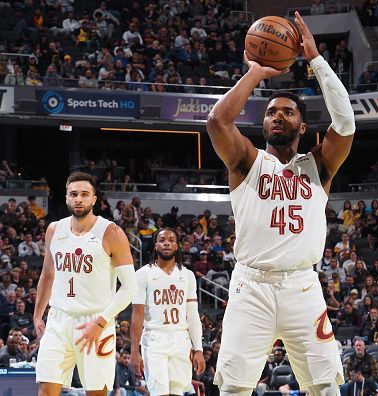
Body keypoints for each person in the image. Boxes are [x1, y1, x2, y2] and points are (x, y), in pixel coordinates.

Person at [206, 11, 355, 396]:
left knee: (325, 387)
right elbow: (217, 122)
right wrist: (255, 72)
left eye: (288, 111)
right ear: (264, 123)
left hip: (302, 287)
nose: (278, 116)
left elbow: (346, 124)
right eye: (271, 112)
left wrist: (316, 60)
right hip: (250, 286)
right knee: (234, 389)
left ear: (302, 126)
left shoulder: (319, 166)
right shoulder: (247, 162)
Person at [33, 172, 138, 395]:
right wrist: (37, 314)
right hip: (59, 319)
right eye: (73, 194)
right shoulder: (54, 230)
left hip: (96, 321)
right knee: (45, 389)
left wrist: (100, 322)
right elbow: (47, 274)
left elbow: (130, 287)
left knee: (96, 392)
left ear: (94, 199)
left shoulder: (111, 232)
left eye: (84, 194)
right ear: (66, 197)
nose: (78, 199)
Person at [130, 228, 206, 396]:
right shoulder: (143, 274)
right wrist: (134, 351)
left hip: (180, 340)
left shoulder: (187, 276)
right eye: (162, 240)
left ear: (177, 246)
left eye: (171, 240)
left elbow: (193, 316)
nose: (166, 243)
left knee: (177, 392)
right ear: (156, 245)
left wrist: (198, 348)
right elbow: (137, 315)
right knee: (159, 392)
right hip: (154, 339)